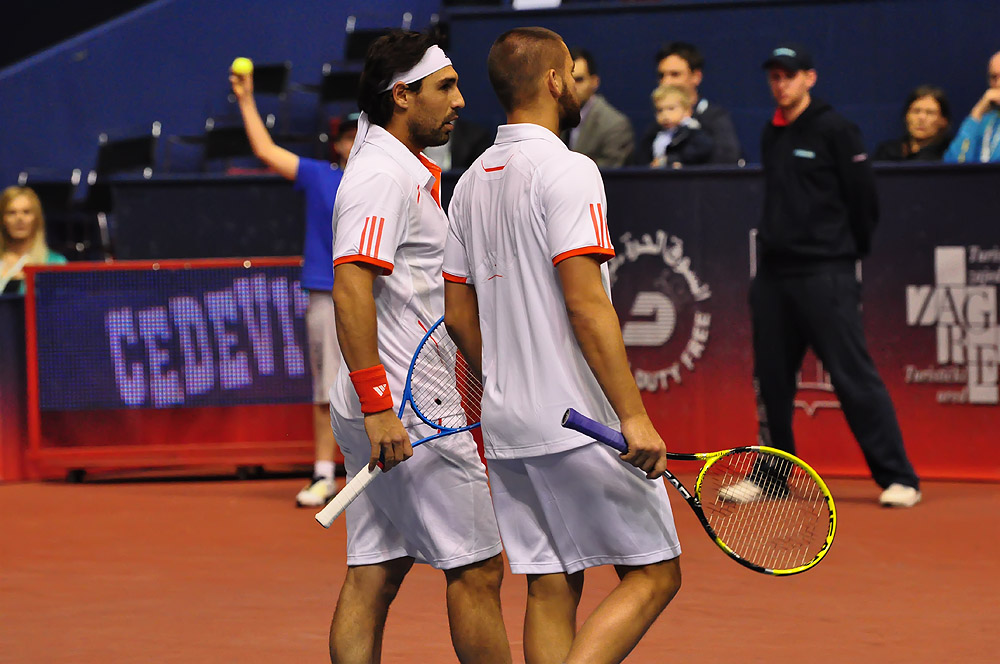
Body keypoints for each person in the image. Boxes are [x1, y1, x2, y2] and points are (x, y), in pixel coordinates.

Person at [444, 27, 682, 664]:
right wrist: (633, 415)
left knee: (552, 582)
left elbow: (458, 316)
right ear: (554, 81)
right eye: (571, 74)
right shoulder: (572, 170)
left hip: (508, 423)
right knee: (656, 574)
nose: (574, 85)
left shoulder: (468, 182)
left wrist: (507, 383)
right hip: (580, 422)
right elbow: (586, 303)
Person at [327, 30, 510, 664]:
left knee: (375, 571)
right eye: (445, 87)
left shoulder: (390, 165)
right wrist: (380, 405)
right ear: (401, 95)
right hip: (407, 410)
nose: (460, 100)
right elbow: (350, 284)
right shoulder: (381, 175)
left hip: (387, 402)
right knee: (479, 569)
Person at [735, 43, 921, 508]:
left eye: (789, 75)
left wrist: (840, 251)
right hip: (774, 277)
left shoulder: (836, 129)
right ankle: (772, 474)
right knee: (771, 381)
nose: (781, 84)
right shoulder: (772, 132)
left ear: (809, 78)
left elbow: (864, 201)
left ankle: (899, 477)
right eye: (775, 76)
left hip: (825, 273)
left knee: (852, 374)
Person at [230, 67, 352, 507]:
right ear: (337, 145)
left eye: (361, 134)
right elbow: (264, 150)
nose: (354, 142)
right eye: (346, 136)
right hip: (327, 294)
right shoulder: (320, 176)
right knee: (327, 389)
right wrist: (246, 99)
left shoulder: (388, 179)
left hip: (381, 294)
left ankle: (387, 472)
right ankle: (324, 474)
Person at [650, 41, 741, 163]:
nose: (666, 82)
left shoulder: (715, 119)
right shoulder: (658, 127)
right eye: (661, 76)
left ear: (696, 77)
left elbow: (727, 161)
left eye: (675, 74)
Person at [558, 48, 634, 167]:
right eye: (568, 80)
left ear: (594, 82)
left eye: (579, 80)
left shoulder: (614, 125)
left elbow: (611, 170)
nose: (572, 86)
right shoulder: (556, 116)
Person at [0, 186, 67, 295]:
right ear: (3, 219)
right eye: (11, 212)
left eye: (26, 212)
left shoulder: (55, 263)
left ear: (36, 218)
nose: (19, 218)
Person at [634, 83, 714, 167]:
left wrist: (671, 160)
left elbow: (700, 151)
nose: (665, 115)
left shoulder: (692, 132)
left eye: (671, 109)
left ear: (687, 111)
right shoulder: (653, 134)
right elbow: (642, 157)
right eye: (660, 110)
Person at [944, 50, 1000, 163]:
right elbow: (954, 163)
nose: (998, 83)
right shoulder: (983, 122)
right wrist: (977, 112)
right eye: (994, 77)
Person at [873, 85, 952, 161]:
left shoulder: (951, 153)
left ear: (944, 120)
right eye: (916, 111)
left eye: (930, 113)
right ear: (906, 116)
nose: (921, 118)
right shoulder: (888, 153)